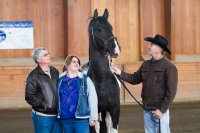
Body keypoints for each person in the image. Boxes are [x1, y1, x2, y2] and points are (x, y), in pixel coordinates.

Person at [112, 34, 178, 133]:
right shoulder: (145, 65)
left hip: (160, 111)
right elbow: (134, 79)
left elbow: (171, 92)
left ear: (158, 50)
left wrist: (161, 110)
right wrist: (119, 73)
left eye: (151, 44)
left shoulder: (169, 67)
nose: (148, 46)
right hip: (147, 109)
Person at [57, 55, 98, 133]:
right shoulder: (60, 79)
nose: (76, 63)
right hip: (65, 118)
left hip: (81, 118)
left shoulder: (85, 79)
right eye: (74, 61)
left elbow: (92, 98)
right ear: (67, 64)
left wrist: (93, 117)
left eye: (78, 62)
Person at [25, 47, 61, 133]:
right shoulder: (33, 75)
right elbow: (29, 96)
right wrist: (44, 105)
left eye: (48, 53)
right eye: (45, 55)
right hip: (42, 116)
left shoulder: (54, 71)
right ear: (38, 60)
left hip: (57, 115)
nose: (49, 56)